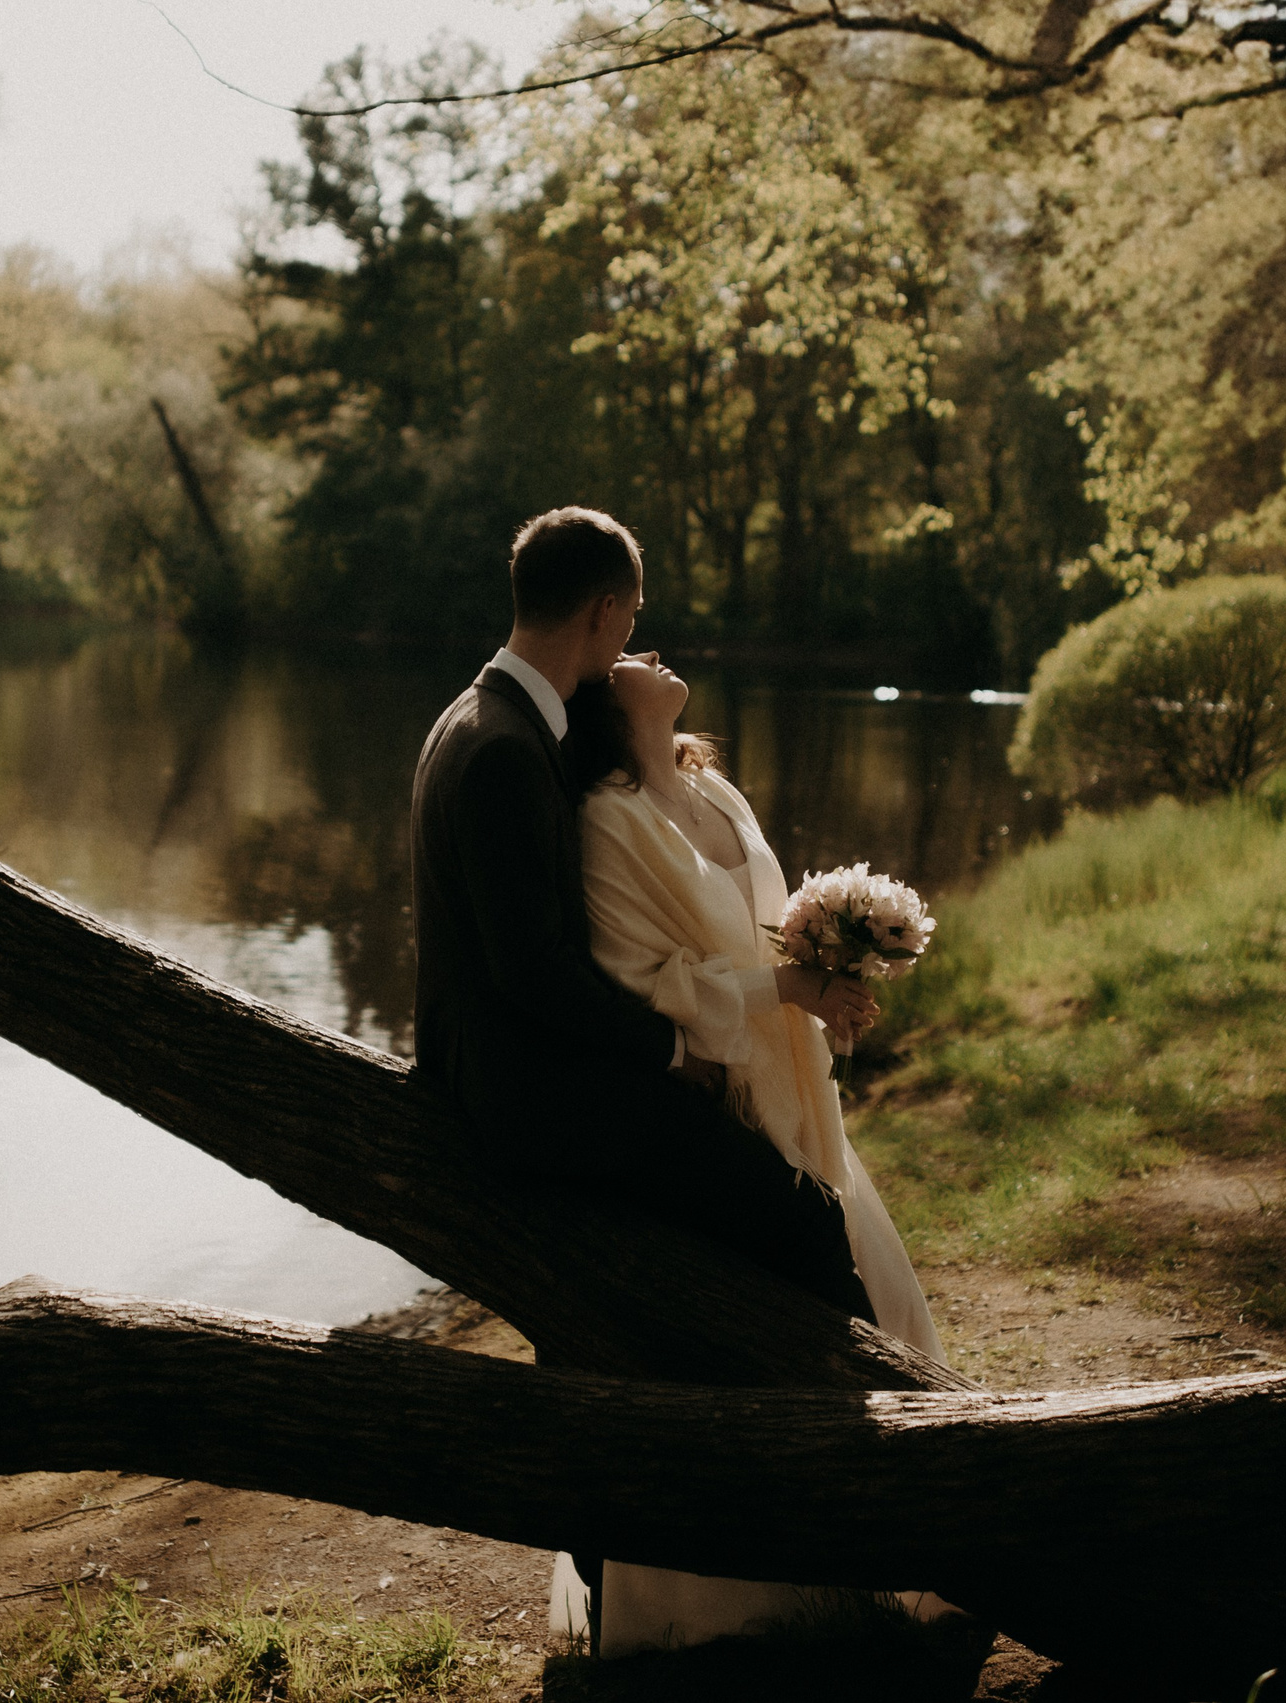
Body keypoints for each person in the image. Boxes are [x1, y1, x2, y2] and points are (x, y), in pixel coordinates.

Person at [410, 507, 874, 1648]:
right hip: (536, 1100)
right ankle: (884, 1467)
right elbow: (538, 983)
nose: (634, 640)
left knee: (743, 1224)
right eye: (633, 620)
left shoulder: (480, 717)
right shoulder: (506, 751)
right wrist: (672, 1049)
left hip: (524, 1078)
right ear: (607, 611)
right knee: (800, 1222)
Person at [543, 650, 951, 1657]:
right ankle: (741, 1599)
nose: (646, 652)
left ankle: (895, 1540)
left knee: (880, 1310)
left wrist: (827, 970)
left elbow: (760, 936)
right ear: (601, 698)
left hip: (797, 1080)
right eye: (626, 654)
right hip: (717, 1103)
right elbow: (652, 983)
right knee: (763, 1334)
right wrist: (789, 993)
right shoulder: (605, 818)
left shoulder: (708, 783)